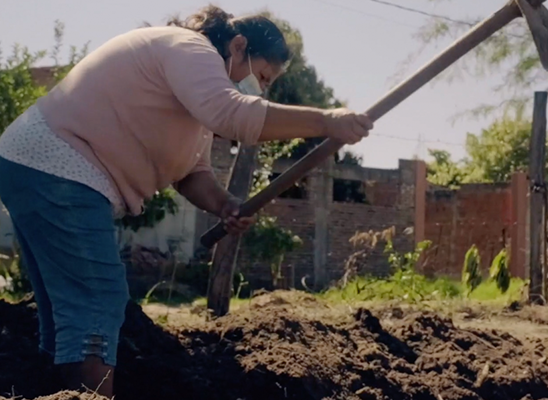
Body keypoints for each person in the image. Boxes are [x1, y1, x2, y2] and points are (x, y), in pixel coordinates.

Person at [0, 6, 372, 398]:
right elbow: (234, 116)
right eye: (262, 76)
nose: (261, 89)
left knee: (67, 308)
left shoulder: (196, 97)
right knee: (99, 296)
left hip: (40, 164)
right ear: (239, 45)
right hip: (57, 164)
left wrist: (225, 204)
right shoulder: (190, 50)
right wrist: (326, 121)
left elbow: (192, 173)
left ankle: (53, 389)